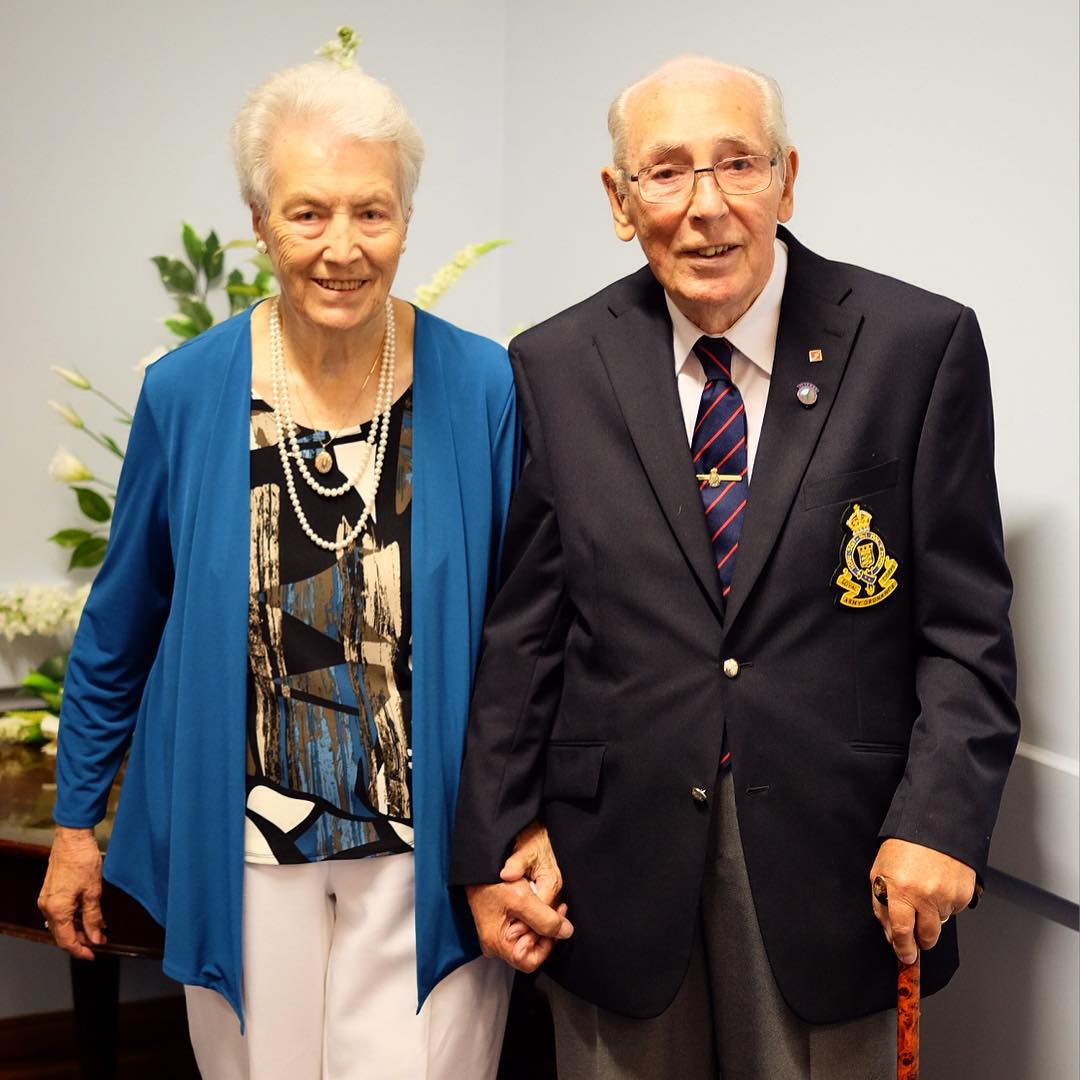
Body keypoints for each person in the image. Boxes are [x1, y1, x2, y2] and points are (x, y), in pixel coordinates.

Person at [450, 55, 1019, 1078]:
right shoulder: (555, 365)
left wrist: (941, 823)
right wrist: (495, 840)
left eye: (738, 164)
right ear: (620, 200)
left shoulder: (915, 346)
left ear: (787, 180)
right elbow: (526, 630)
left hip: (842, 866)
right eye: (667, 172)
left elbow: (966, 630)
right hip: (609, 870)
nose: (706, 206)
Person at [38, 59, 517, 1079]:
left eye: (372, 212)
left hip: (434, 854)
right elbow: (122, 622)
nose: (343, 247)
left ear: (406, 218)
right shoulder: (186, 392)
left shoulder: (483, 384)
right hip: (244, 847)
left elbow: (530, 631)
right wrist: (75, 822)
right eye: (308, 214)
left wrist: (528, 823)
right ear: (259, 221)